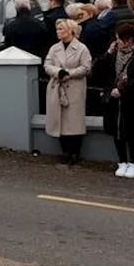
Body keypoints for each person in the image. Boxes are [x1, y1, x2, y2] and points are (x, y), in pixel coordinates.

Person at [93, 23, 134, 179]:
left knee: (132, 130)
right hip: (113, 96)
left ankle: (133, 162)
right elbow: (98, 69)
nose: (117, 42)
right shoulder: (114, 53)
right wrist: (108, 53)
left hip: (133, 98)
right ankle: (122, 161)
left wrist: (123, 89)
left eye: (119, 39)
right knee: (116, 130)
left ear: (129, 40)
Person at [43, 18, 92, 165]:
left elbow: (86, 67)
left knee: (74, 122)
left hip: (74, 88)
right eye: (57, 29)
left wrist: (69, 73)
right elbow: (47, 64)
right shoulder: (54, 48)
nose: (58, 32)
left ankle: (75, 152)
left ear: (71, 31)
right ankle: (65, 151)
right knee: (59, 121)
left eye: (61, 29)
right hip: (57, 87)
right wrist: (59, 72)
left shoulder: (82, 48)